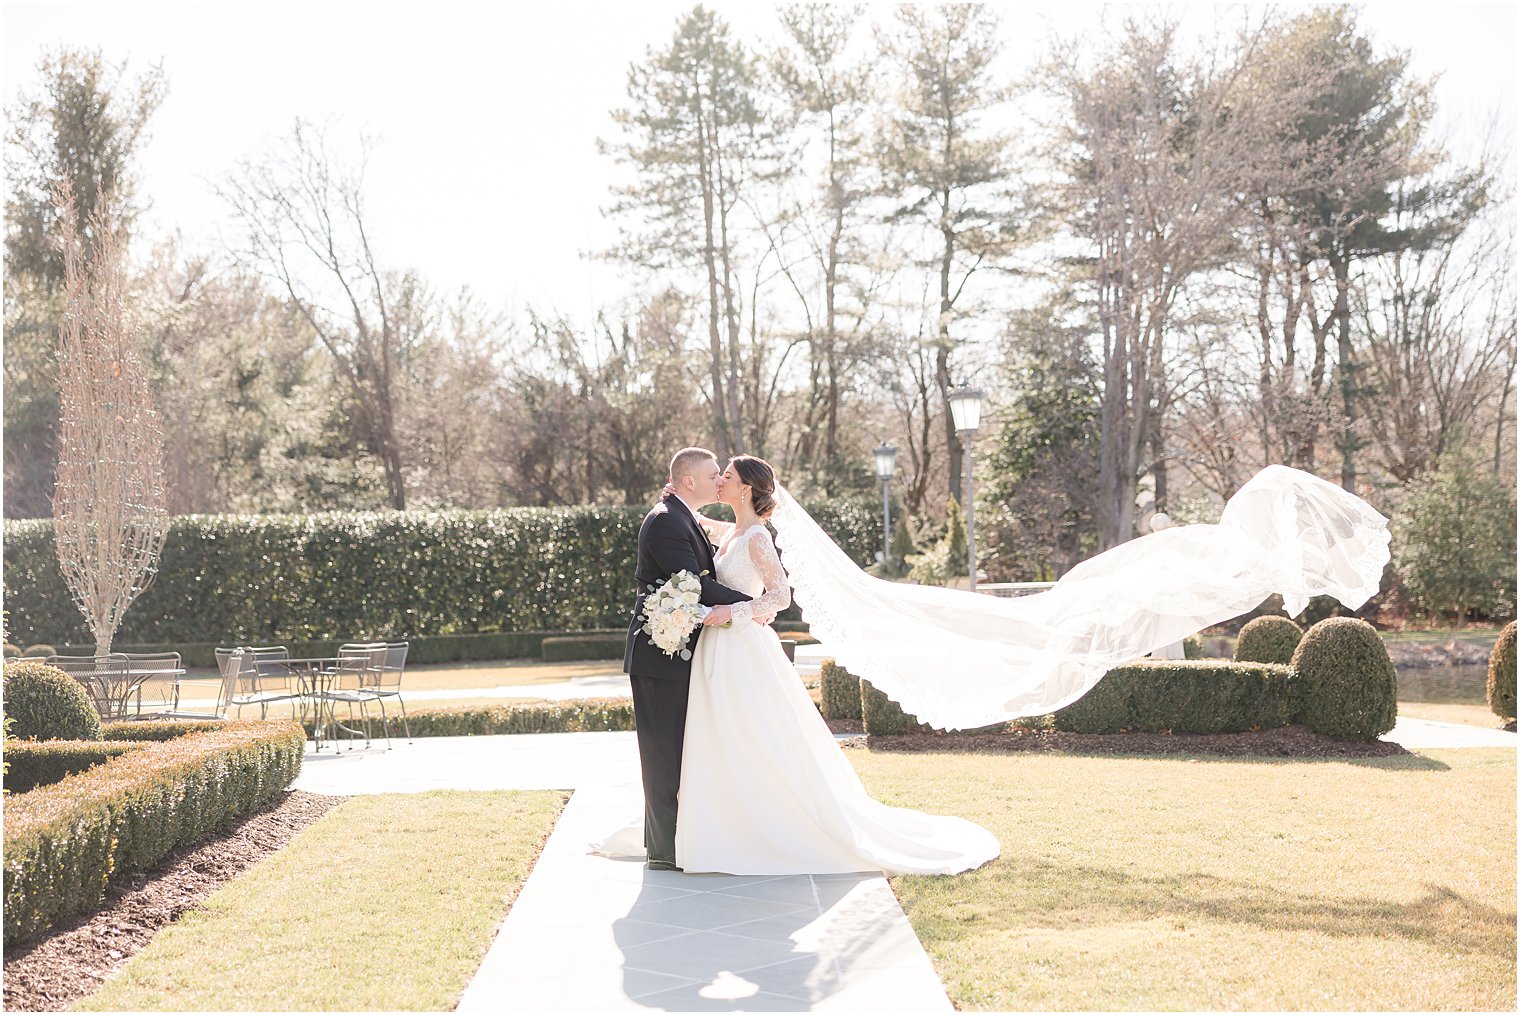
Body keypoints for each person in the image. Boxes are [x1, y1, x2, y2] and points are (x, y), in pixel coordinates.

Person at [621, 447, 758, 872]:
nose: (719, 480)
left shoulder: (683, 516)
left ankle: (675, 839)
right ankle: (663, 850)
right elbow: (695, 586)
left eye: (724, 475)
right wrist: (753, 605)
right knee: (662, 751)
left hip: (681, 652)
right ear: (689, 483)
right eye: (713, 474)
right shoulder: (666, 521)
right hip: (660, 654)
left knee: (679, 750)